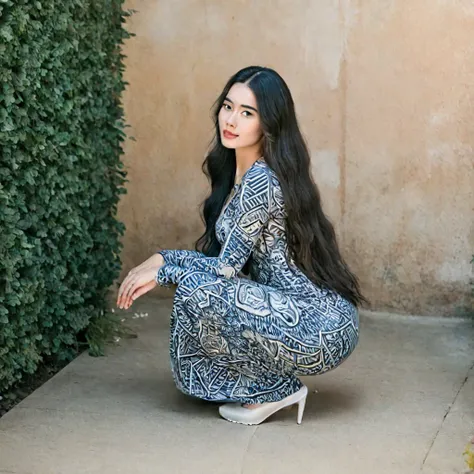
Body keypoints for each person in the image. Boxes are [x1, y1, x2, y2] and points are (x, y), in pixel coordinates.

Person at [117, 66, 366, 426]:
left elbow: (223, 271)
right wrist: (161, 259)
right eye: (228, 107)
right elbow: (225, 260)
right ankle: (264, 384)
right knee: (200, 290)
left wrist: (164, 268)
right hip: (305, 316)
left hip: (319, 326)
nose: (231, 120)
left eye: (247, 113)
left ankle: (274, 388)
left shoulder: (261, 181)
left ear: (269, 123)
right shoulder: (242, 174)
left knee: (199, 290)